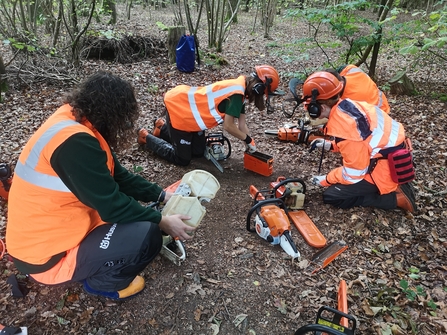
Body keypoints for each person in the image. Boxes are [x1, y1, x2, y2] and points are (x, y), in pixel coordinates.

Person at [6, 71, 194, 300]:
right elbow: (112, 206)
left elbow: (120, 178)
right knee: (148, 233)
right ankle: (104, 283)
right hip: (46, 256)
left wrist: (162, 195)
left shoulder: (78, 122)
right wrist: (163, 221)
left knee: (139, 217)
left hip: (53, 230)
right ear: (112, 113)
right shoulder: (75, 142)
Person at [302, 71, 416, 212]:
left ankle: (395, 199)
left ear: (322, 108)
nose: (309, 113)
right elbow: (362, 140)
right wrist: (330, 145)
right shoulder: (348, 105)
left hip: (383, 168)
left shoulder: (346, 128)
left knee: (332, 196)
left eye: (309, 109)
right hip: (388, 154)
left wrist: (326, 179)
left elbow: (353, 174)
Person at [137, 65, 280, 166]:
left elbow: (242, 125)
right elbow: (229, 126)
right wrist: (247, 139)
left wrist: (250, 144)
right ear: (258, 88)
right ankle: (146, 137)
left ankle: (162, 128)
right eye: (264, 94)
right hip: (180, 110)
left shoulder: (241, 91)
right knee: (182, 159)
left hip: (193, 119)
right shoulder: (237, 93)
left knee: (198, 152)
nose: (262, 98)